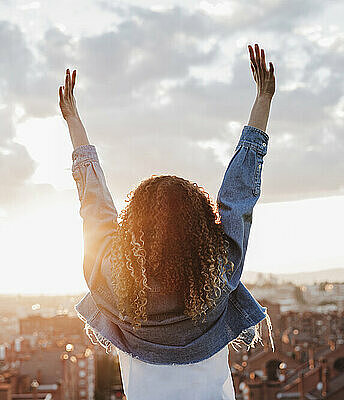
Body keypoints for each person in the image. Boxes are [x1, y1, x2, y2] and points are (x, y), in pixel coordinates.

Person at [58, 43, 276, 399]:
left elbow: (95, 207)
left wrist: (74, 123)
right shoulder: (218, 275)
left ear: (135, 228)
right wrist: (263, 100)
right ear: (202, 227)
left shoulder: (117, 278)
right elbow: (238, 198)